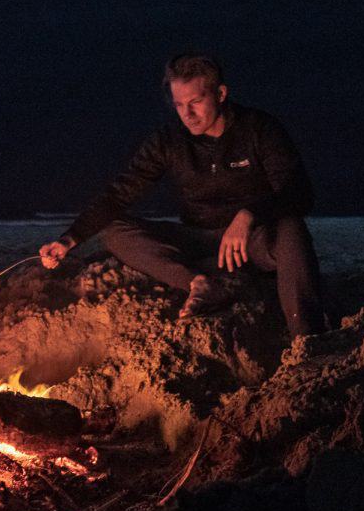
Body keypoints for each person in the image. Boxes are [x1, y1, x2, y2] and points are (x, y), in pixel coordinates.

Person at [39, 53, 327, 339]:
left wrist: (249, 215)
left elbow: (300, 193)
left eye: (196, 102)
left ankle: (307, 337)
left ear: (221, 93)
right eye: (179, 105)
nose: (187, 114)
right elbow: (119, 194)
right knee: (114, 231)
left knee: (291, 229)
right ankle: (199, 283)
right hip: (197, 241)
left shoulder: (259, 129)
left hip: (251, 242)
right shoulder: (169, 141)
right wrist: (69, 239)